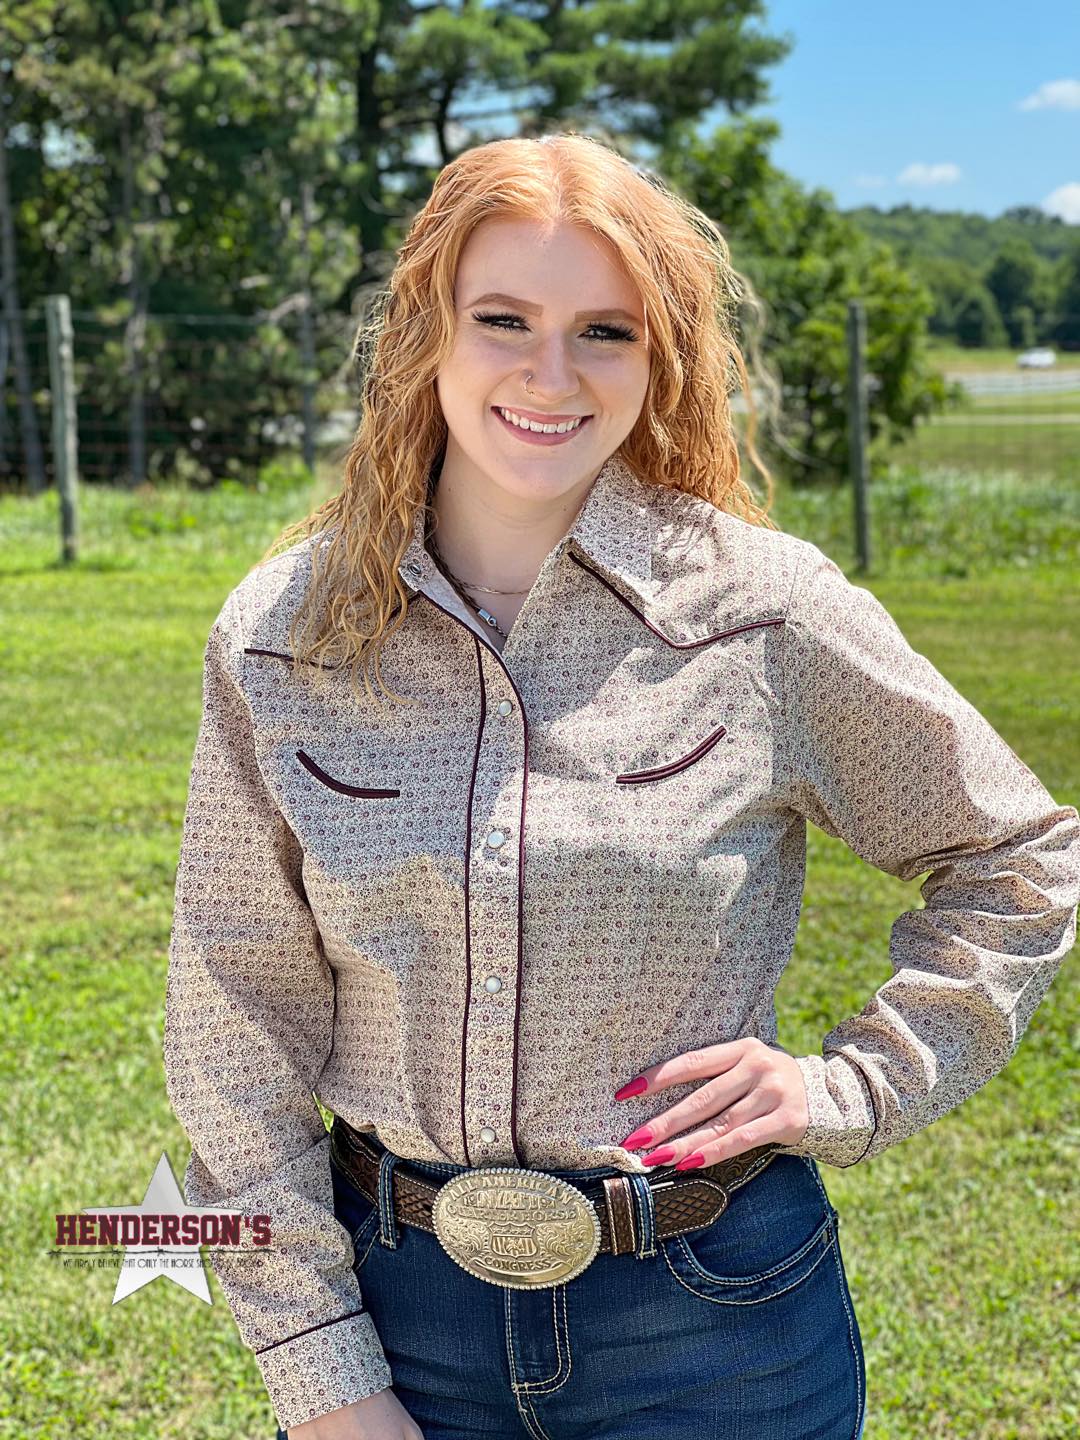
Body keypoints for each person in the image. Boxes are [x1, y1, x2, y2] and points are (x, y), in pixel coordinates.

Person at [162, 133, 1080, 1440]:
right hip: (397, 1314)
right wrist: (321, 1375)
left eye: (605, 330)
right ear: (427, 329)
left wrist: (855, 1087)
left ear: (662, 362)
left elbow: (1022, 856)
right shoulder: (285, 635)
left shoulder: (763, 614)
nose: (550, 374)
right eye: (504, 319)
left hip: (715, 1327)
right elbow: (229, 1026)